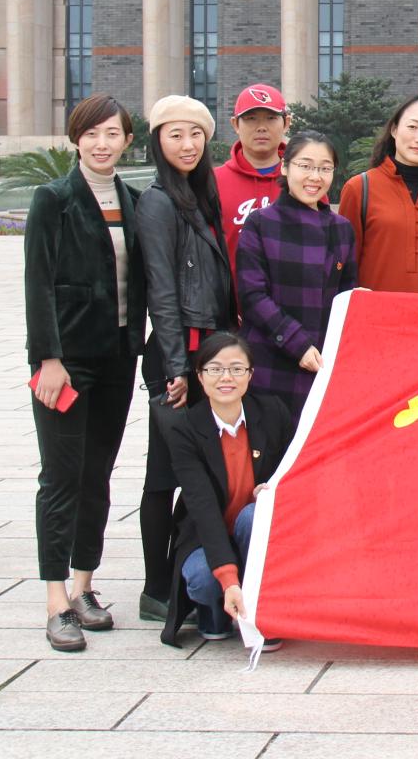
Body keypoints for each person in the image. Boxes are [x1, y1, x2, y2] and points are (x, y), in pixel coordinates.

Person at [24, 93, 145, 652]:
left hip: (118, 358)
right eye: (92, 133)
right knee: (61, 477)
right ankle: (55, 601)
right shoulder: (54, 199)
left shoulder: (133, 200)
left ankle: (83, 587)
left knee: (97, 475)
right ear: (76, 139)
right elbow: (38, 283)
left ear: (127, 140)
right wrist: (46, 359)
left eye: (112, 134)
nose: (102, 143)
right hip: (67, 365)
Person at [134, 94, 236, 623]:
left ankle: (180, 579)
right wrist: (176, 367)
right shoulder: (158, 202)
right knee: (163, 473)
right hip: (179, 356)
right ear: (158, 141)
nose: (187, 144)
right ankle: (156, 589)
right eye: (175, 135)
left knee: (197, 469)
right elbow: (161, 289)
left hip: (206, 350)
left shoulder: (200, 195)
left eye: (196, 134)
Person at [159, 331, 293, 646]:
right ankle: (215, 607)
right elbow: (202, 508)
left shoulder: (273, 412)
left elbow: (294, 470)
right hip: (206, 535)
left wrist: (274, 488)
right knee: (204, 580)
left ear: (250, 374)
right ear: (200, 376)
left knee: (253, 515)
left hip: (254, 531)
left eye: (236, 368)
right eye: (215, 369)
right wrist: (229, 580)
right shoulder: (184, 429)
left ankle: (262, 610)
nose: (226, 377)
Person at [236, 131, 356, 422]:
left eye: (325, 168)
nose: (315, 177)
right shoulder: (260, 223)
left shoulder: (341, 228)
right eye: (305, 166)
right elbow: (252, 296)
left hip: (322, 362)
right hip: (270, 359)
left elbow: (346, 295)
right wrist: (296, 343)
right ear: (285, 167)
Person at [336, 93, 418, 294]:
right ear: (394, 130)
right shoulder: (360, 188)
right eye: (412, 127)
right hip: (377, 311)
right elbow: (343, 266)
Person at [216, 82, 289, 265]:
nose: (261, 127)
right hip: (230, 284)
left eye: (271, 118)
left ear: (286, 123)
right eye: (251, 118)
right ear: (235, 124)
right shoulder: (213, 181)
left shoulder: (305, 179)